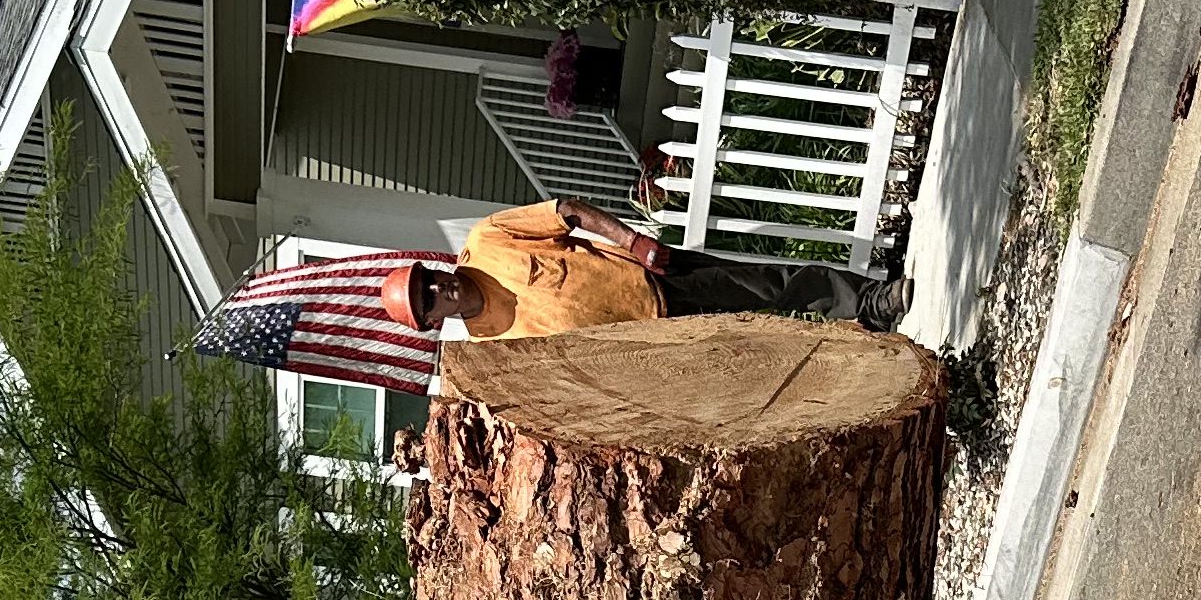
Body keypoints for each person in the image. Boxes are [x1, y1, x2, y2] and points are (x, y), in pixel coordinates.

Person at [378, 197, 908, 341]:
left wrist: (633, 241)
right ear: (432, 321)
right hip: (659, 349)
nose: (437, 288)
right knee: (763, 352)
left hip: (656, 280)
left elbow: (566, 211)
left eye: (429, 278)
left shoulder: (487, 240)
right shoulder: (492, 345)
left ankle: (871, 302)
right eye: (428, 299)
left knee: (767, 288)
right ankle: (862, 343)